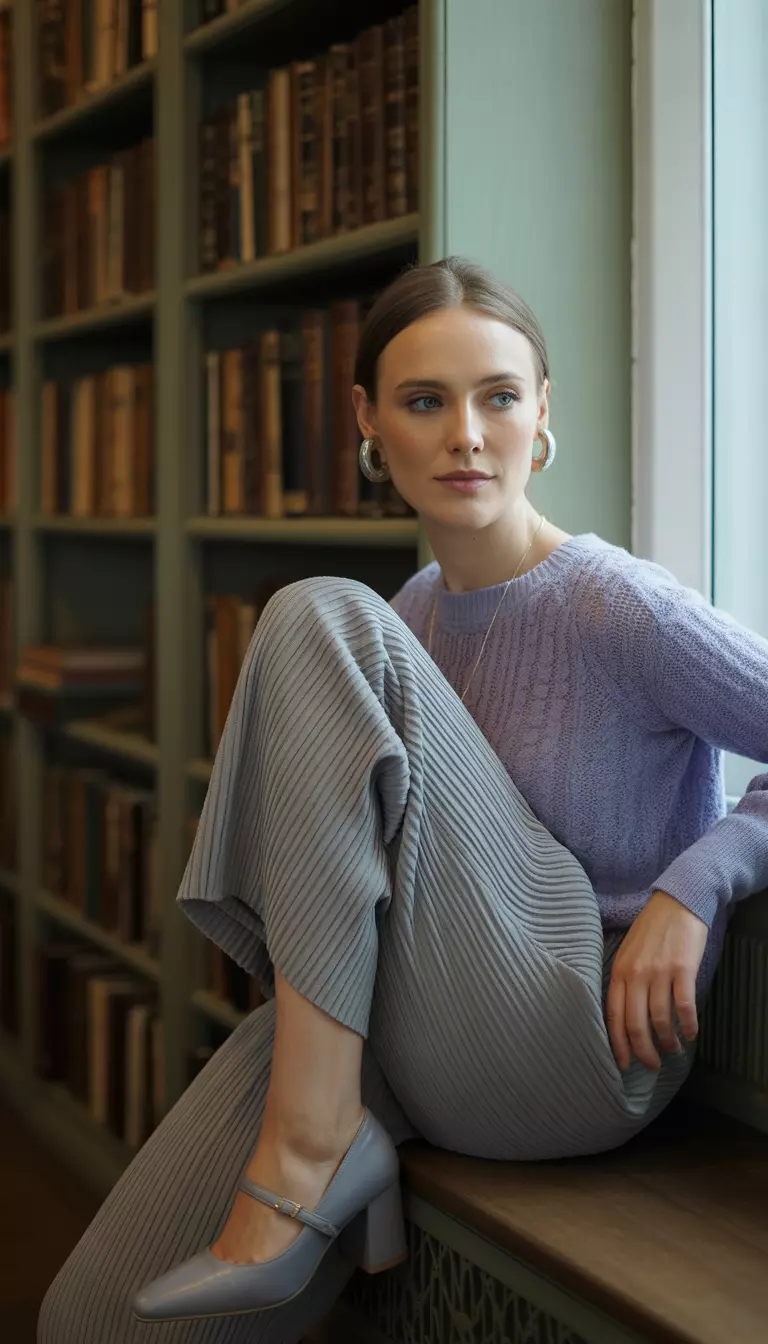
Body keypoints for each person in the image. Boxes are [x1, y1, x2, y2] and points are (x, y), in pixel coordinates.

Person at [38, 257, 768, 1342]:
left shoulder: (615, 606)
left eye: (499, 397)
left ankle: (310, 1151)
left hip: (578, 1041)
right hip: (411, 1025)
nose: (467, 435)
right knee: (89, 1318)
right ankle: (320, 1135)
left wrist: (698, 879)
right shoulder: (411, 618)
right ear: (369, 422)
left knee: (313, 613)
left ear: (542, 413)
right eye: (426, 402)